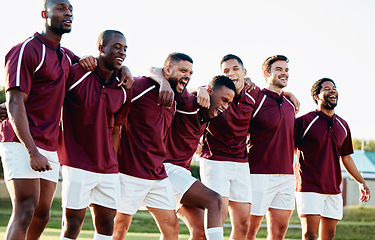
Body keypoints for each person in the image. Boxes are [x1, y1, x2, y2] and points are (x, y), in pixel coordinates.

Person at [0, 1, 80, 239]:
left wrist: (126, 72)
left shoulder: (66, 56)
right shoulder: (26, 49)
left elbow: (98, 66)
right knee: (25, 209)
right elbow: (15, 102)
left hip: (49, 143)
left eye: (70, 10)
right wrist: (32, 152)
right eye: (60, 8)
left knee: (42, 215)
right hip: (21, 140)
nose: (68, 12)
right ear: (44, 14)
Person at [58, 30, 131, 240]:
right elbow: (50, 98)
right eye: (117, 47)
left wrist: (113, 161)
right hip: (77, 162)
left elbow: (118, 128)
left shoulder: (124, 86)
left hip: (108, 168)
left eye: (125, 49)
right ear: (101, 48)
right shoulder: (76, 74)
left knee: (107, 225)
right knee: (72, 224)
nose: (122, 52)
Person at [113, 52, 194, 240]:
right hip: (128, 172)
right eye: (183, 70)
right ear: (167, 70)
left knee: (172, 229)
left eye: (190, 72)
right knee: (119, 228)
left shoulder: (175, 99)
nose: (188, 76)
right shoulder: (140, 86)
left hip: (157, 175)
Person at [294, 78, 371, 240]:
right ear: (316, 96)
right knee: (310, 235)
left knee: (329, 235)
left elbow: (346, 157)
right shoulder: (304, 121)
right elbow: (289, 148)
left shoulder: (343, 125)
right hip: (309, 186)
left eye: (334, 88)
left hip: (333, 189)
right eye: (327, 88)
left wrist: (361, 182)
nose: (332, 90)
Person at [163, 75, 236, 240]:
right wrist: (199, 89)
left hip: (181, 174)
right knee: (215, 200)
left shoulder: (207, 116)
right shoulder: (189, 104)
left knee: (201, 231)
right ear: (208, 92)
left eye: (228, 103)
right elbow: (174, 82)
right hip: (166, 169)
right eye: (223, 99)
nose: (225, 106)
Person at [198, 54, 256, 240]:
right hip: (215, 161)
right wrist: (199, 88)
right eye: (226, 71)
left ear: (244, 72)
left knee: (243, 225)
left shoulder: (253, 96)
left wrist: (289, 94)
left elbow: (274, 91)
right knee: (217, 221)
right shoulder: (212, 94)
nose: (231, 73)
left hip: (241, 163)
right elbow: (186, 92)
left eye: (235, 69)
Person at [247, 55, 296, 240]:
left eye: (286, 70)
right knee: (249, 231)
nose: (284, 73)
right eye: (279, 69)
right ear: (267, 73)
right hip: (258, 174)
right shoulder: (256, 97)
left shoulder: (291, 103)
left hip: (285, 176)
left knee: (279, 233)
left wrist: (289, 94)